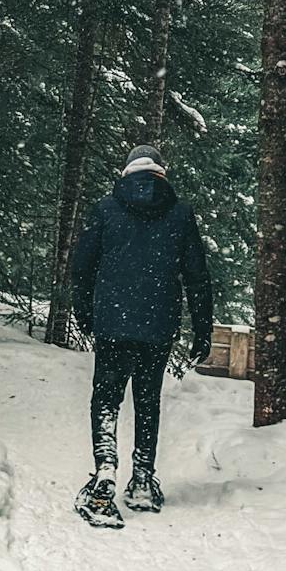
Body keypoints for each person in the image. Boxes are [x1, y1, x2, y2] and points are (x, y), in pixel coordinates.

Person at [68, 143, 214, 529]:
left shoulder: (106, 209)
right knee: (148, 400)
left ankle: (105, 472)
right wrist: (203, 328)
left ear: (127, 170)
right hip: (157, 324)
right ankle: (143, 480)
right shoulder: (180, 214)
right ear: (160, 172)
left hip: (113, 324)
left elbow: (81, 267)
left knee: (107, 397)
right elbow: (197, 277)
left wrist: (85, 313)